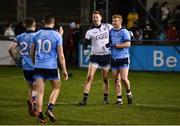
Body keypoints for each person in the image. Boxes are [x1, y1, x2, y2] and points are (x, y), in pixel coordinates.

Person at [31, 14, 68, 123]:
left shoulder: (36, 34)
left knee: (40, 92)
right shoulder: (57, 35)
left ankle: (40, 116)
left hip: (39, 66)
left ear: (43, 22)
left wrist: (35, 63)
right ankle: (49, 109)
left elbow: (31, 52)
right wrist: (64, 70)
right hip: (51, 67)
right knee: (56, 88)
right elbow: (61, 55)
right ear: (53, 22)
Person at [78, 11, 113, 106]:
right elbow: (85, 43)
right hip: (95, 57)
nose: (95, 19)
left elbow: (117, 32)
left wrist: (127, 32)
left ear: (101, 17)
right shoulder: (90, 31)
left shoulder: (108, 27)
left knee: (105, 79)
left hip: (106, 56)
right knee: (89, 77)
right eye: (93, 17)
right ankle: (84, 99)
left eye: (97, 17)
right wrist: (85, 50)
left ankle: (105, 98)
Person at [8, 17, 37, 115]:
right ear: (34, 25)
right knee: (36, 88)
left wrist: (15, 59)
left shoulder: (20, 36)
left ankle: (30, 102)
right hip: (35, 65)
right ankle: (33, 105)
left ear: (25, 25)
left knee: (30, 87)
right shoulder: (36, 36)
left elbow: (10, 49)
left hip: (25, 66)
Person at [106, 14, 133, 105]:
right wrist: (108, 44)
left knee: (124, 78)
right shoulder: (111, 31)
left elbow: (128, 44)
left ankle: (129, 93)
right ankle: (119, 99)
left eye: (115, 21)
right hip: (113, 58)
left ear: (120, 22)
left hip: (123, 58)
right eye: (113, 21)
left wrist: (116, 45)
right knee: (116, 80)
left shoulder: (124, 31)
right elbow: (109, 42)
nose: (113, 22)